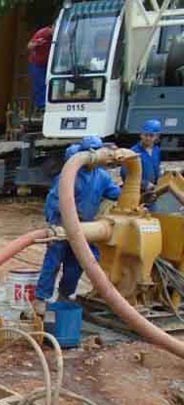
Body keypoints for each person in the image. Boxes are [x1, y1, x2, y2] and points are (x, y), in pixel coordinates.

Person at [33, 136, 122, 315]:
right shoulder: (69, 175)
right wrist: (53, 224)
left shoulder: (102, 177)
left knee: (77, 264)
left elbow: (115, 193)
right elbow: (54, 200)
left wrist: (134, 192)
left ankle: (65, 296)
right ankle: (41, 298)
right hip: (62, 225)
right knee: (53, 262)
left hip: (84, 227)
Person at [123, 119, 162, 207]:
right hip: (136, 193)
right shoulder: (134, 152)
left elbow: (157, 168)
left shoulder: (156, 150)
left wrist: (159, 180)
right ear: (141, 135)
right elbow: (125, 174)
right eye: (145, 135)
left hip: (151, 193)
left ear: (157, 137)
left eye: (151, 135)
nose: (148, 138)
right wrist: (144, 184)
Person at [27, 26, 53, 111]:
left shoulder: (59, 34)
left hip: (48, 63)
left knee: (48, 84)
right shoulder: (43, 33)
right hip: (37, 63)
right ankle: (42, 106)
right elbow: (29, 46)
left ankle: (46, 103)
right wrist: (37, 43)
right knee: (40, 84)